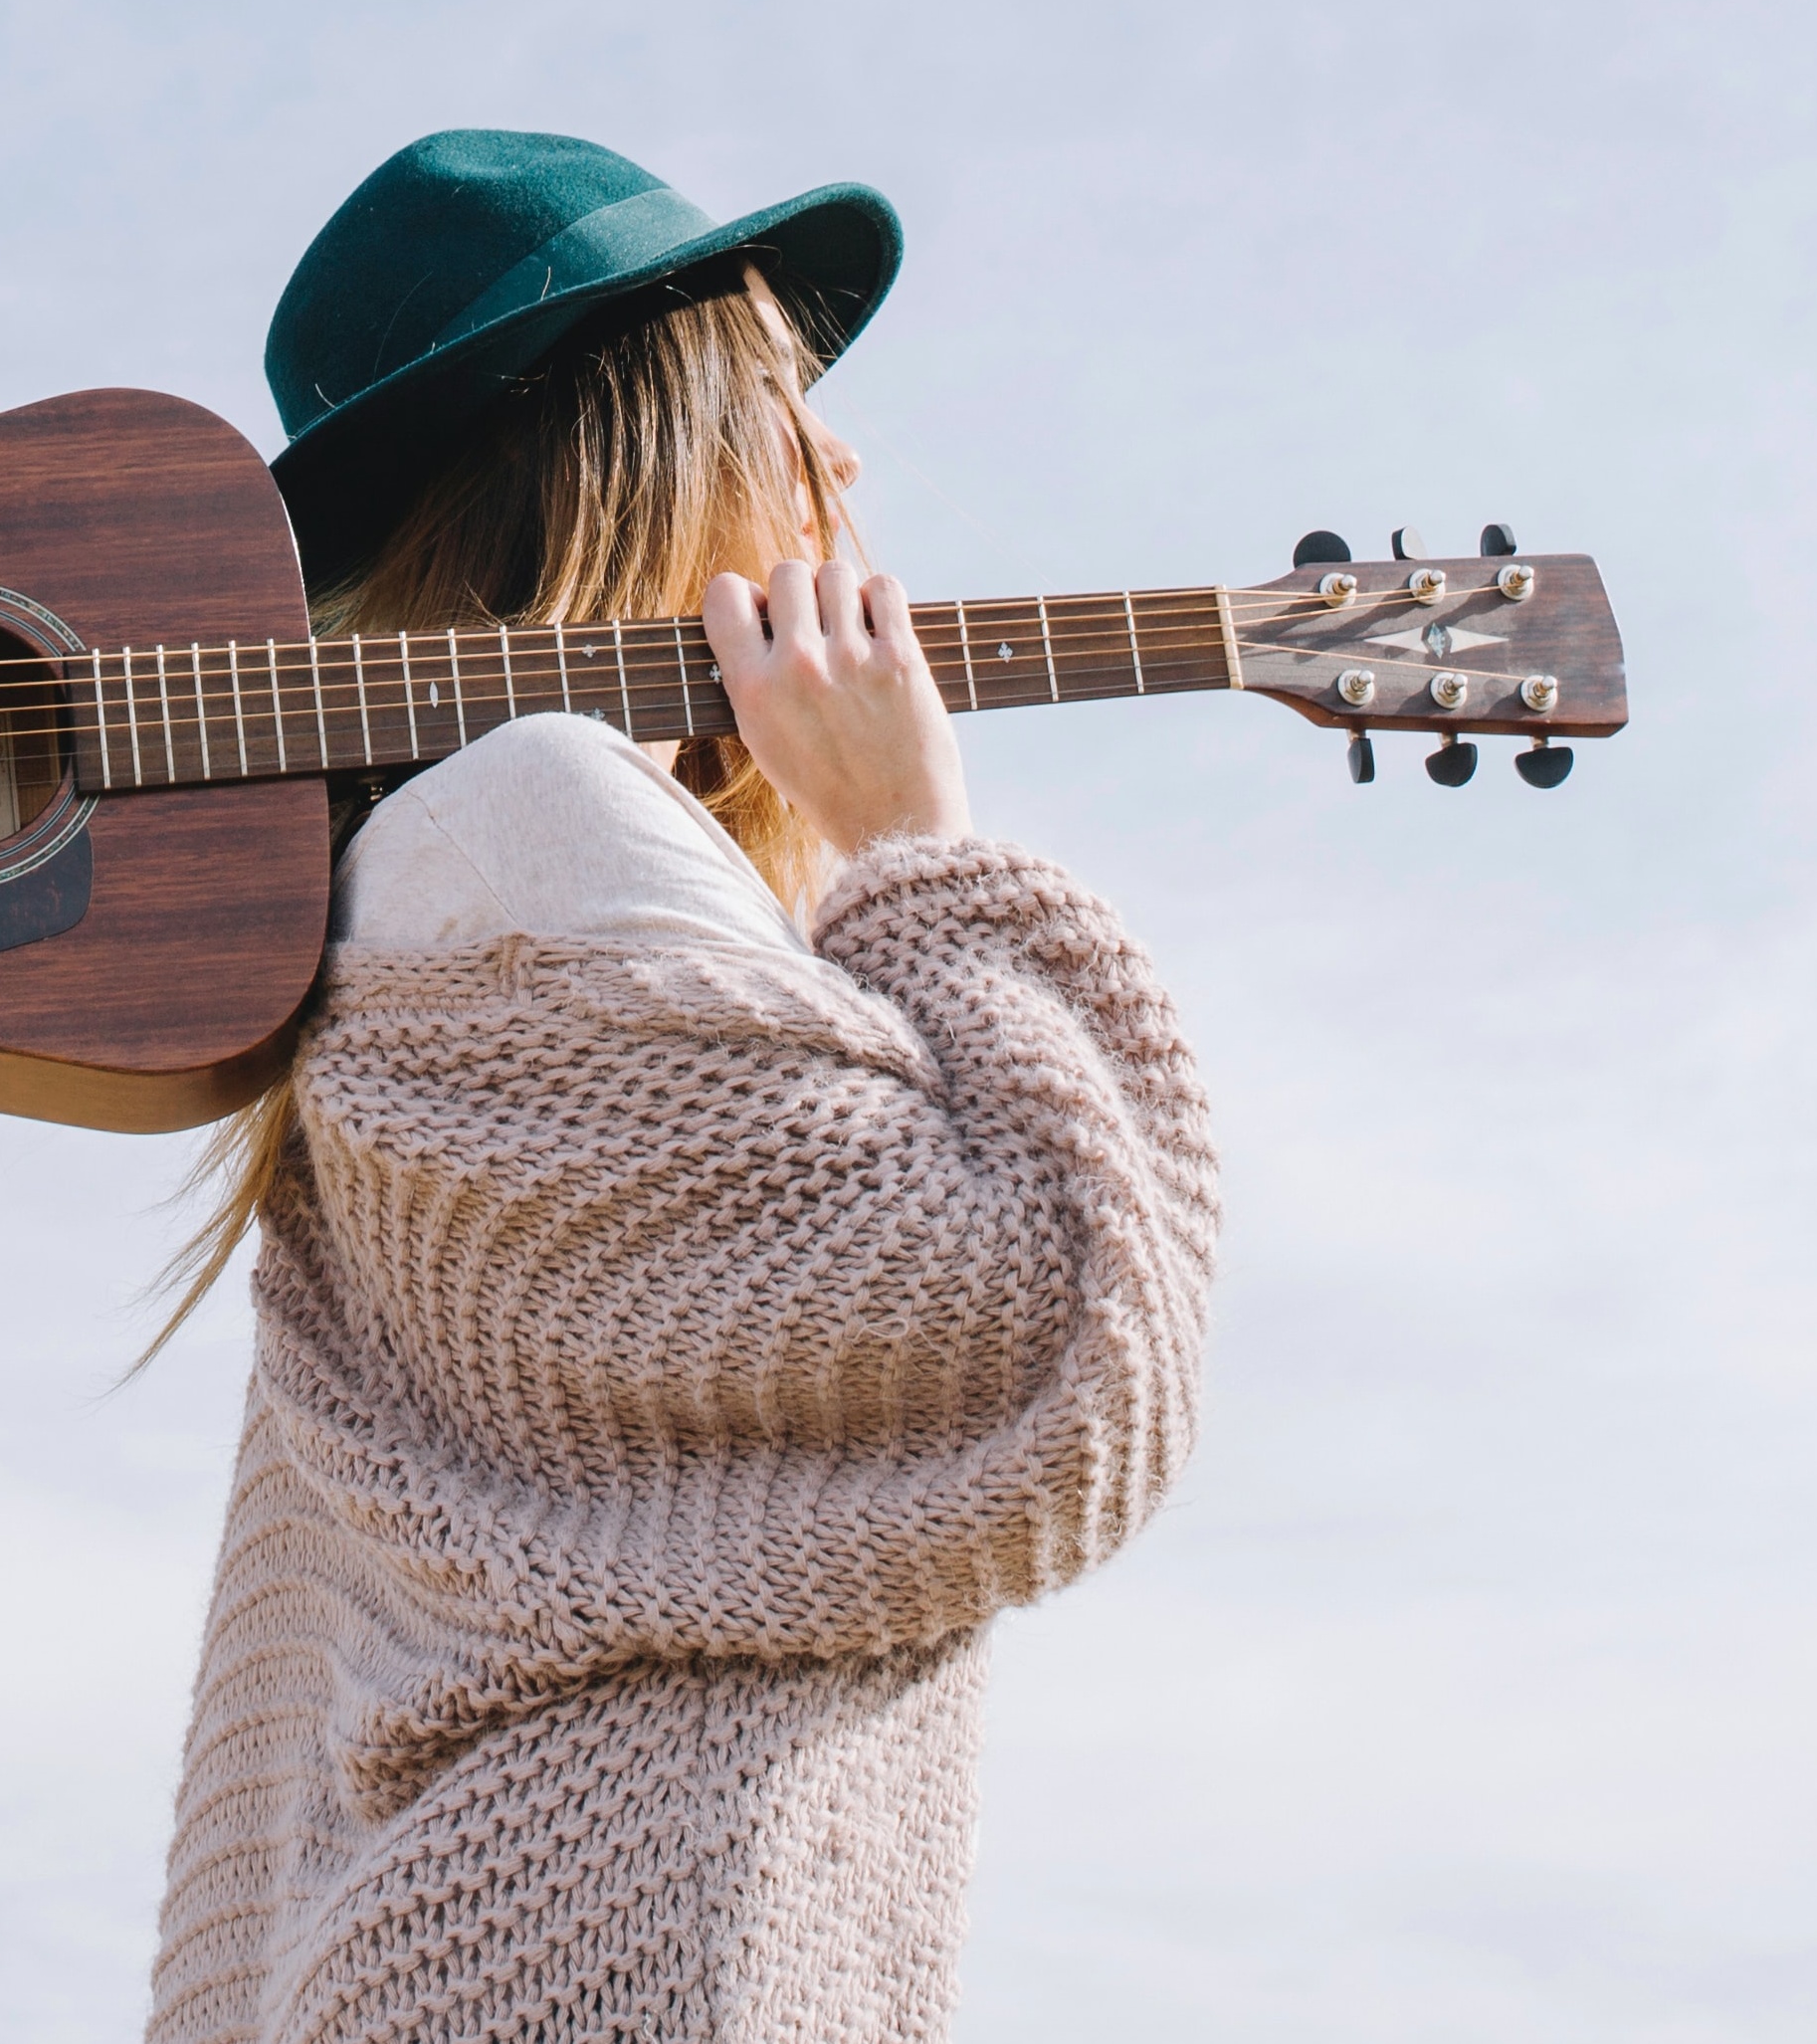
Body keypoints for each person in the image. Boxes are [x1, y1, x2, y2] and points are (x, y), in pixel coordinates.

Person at [140, 130, 1220, 2044]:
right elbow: (1050, 1325)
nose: (849, 468)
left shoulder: (426, 897)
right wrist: (910, 843)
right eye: (793, 402)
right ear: (658, 435)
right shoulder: (536, 821)